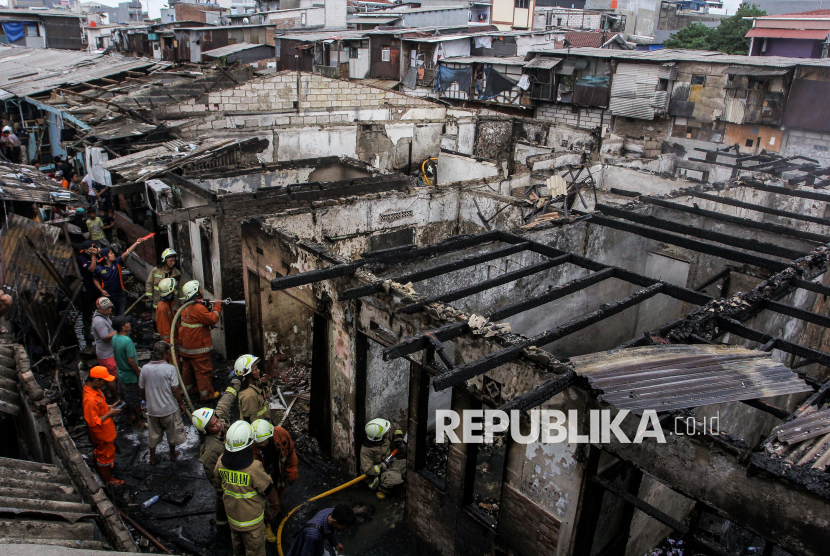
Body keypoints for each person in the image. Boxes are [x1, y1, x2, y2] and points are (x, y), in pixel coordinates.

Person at [215, 421, 281, 556]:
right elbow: (268, 489)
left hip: (233, 519)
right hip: (252, 524)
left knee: (238, 548)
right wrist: (275, 506)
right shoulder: (253, 468)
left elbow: (218, 483)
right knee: (255, 551)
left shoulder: (221, 462)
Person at [192, 380, 241, 528]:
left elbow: (225, 401)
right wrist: (222, 489)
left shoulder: (219, 419)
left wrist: (235, 384)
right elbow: (212, 474)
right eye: (213, 425)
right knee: (222, 500)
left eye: (217, 420)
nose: (218, 424)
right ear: (205, 431)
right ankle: (222, 523)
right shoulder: (210, 450)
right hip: (225, 480)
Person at [140, 341, 187, 465]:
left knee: (153, 435)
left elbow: (142, 388)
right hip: (168, 409)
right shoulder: (170, 368)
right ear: (165, 354)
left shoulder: (145, 368)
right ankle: (172, 454)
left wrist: (144, 402)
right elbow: (175, 389)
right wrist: (181, 403)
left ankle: (153, 458)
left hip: (152, 410)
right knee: (172, 433)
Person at [251, 419, 298, 537]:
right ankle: (267, 521)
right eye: (259, 443)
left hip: (279, 470)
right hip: (264, 474)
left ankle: (275, 512)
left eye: (264, 442)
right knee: (270, 501)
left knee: (280, 492)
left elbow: (291, 453)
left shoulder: (281, 434)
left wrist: (292, 471)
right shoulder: (252, 447)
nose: (262, 445)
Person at [178, 280, 222, 401]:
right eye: (200, 289)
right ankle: (206, 395)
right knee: (203, 372)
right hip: (198, 349)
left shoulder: (185, 307)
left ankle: (190, 389)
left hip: (186, 348)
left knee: (188, 369)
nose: (202, 291)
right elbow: (212, 319)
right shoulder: (198, 309)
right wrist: (217, 306)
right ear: (196, 293)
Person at [82, 366, 124, 485]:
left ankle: (102, 465)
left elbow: (99, 409)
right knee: (105, 457)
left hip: (106, 431)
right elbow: (93, 422)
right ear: (96, 381)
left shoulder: (94, 390)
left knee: (101, 453)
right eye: (103, 380)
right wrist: (109, 413)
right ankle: (108, 479)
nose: (105, 383)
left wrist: (108, 407)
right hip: (103, 434)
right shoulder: (90, 400)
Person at [94, 238, 146, 316]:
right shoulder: (98, 269)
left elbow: (126, 253)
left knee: (121, 314)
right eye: (111, 253)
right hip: (107, 296)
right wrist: (101, 290)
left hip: (119, 294)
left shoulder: (117, 262)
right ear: (105, 257)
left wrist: (136, 243)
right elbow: (95, 279)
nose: (113, 254)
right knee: (108, 315)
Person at [111, 315, 145, 430]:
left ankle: (128, 417)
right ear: (123, 327)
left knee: (123, 397)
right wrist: (138, 374)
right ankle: (139, 422)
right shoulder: (127, 341)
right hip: (130, 375)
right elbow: (131, 361)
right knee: (135, 400)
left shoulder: (115, 338)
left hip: (121, 372)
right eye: (126, 323)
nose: (129, 324)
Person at [360, 418, 407, 499]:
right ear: (379, 437)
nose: (388, 431)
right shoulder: (366, 450)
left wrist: (398, 440)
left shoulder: (384, 433)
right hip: (378, 475)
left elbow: (395, 426)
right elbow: (368, 470)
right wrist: (382, 466)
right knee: (396, 480)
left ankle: (398, 476)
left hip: (391, 462)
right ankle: (382, 489)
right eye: (386, 432)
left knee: (408, 464)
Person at [285, 504, 355, 556]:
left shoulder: (331, 512)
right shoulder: (313, 535)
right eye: (343, 528)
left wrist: (335, 543)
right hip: (307, 545)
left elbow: (332, 529)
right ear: (334, 521)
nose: (344, 530)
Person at [91, 297, 119, 401]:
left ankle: (110, 392)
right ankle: (116, 398)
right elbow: (105, 337)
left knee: (109, 375)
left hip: (107, 352)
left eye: (110, 307)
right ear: (99, 309)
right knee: (112, 377)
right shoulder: (99, 322)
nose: (109, 310)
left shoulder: (104, 316)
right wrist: (118, 331)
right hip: (107, 354)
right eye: (107, 308)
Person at [234, 354, 269, 423]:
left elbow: (265, 398)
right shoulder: (249, 396)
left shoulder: (254, 384)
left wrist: (264, 384)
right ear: (248, 374)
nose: (258, 371)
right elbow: (252, 422)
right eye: (255, 370)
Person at [78, 242, 100, 345]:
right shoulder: (82, 258)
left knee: (100, 308)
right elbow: (92, 268)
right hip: (87, 288)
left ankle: (100, 330)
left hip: (98, 287)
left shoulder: (96, 255)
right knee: (87, 311)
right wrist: (93, 256)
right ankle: (88, 332)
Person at [155, 278, 177, 342]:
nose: (175, 290)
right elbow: (164, 331)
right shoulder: (162, 308)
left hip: (176, 339)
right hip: (171, 342)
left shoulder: (170, 303)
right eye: (173, 289)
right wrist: (170, 346)